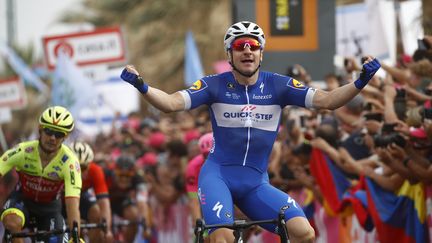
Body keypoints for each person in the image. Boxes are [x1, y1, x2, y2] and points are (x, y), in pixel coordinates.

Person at [120, 21, 381, 243]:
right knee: (223, 238)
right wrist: (142, 85)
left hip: (256, 183)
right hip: (218, 177)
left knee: (305, 233)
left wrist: (359, 82)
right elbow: (171, 103)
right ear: (229, 55)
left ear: (261, 54)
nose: (247, 51)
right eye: (239, 46)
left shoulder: (279, 85)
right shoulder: (213, 85)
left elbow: (328, 101)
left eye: (253, 46)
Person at [0, 106, 82, 243]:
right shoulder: (23, 150)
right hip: (22, 199)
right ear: (40, 129)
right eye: (48, 131)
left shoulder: (70, 163)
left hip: (50, 209)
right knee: (12, 223)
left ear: (65, 137)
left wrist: (75, 235)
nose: (52, 138)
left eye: (59, 134)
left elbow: (72, 202)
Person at [69, 141, 114, 242]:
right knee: (75, 225)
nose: (79, 172)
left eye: (84, 167)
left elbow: (104, 202)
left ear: (90, 164)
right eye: (77, 166)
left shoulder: (95, 170)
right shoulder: (60, 169)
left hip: (81, 196)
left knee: (97, 213)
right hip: (61, 199)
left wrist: (108, 230)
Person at [185, 132, 214, 225]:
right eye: (205, 155)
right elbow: (194, 200)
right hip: (205, 200)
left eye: (211, 154)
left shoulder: (229, 161)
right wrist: (199, 224)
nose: (208, 159)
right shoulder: (193, 166)